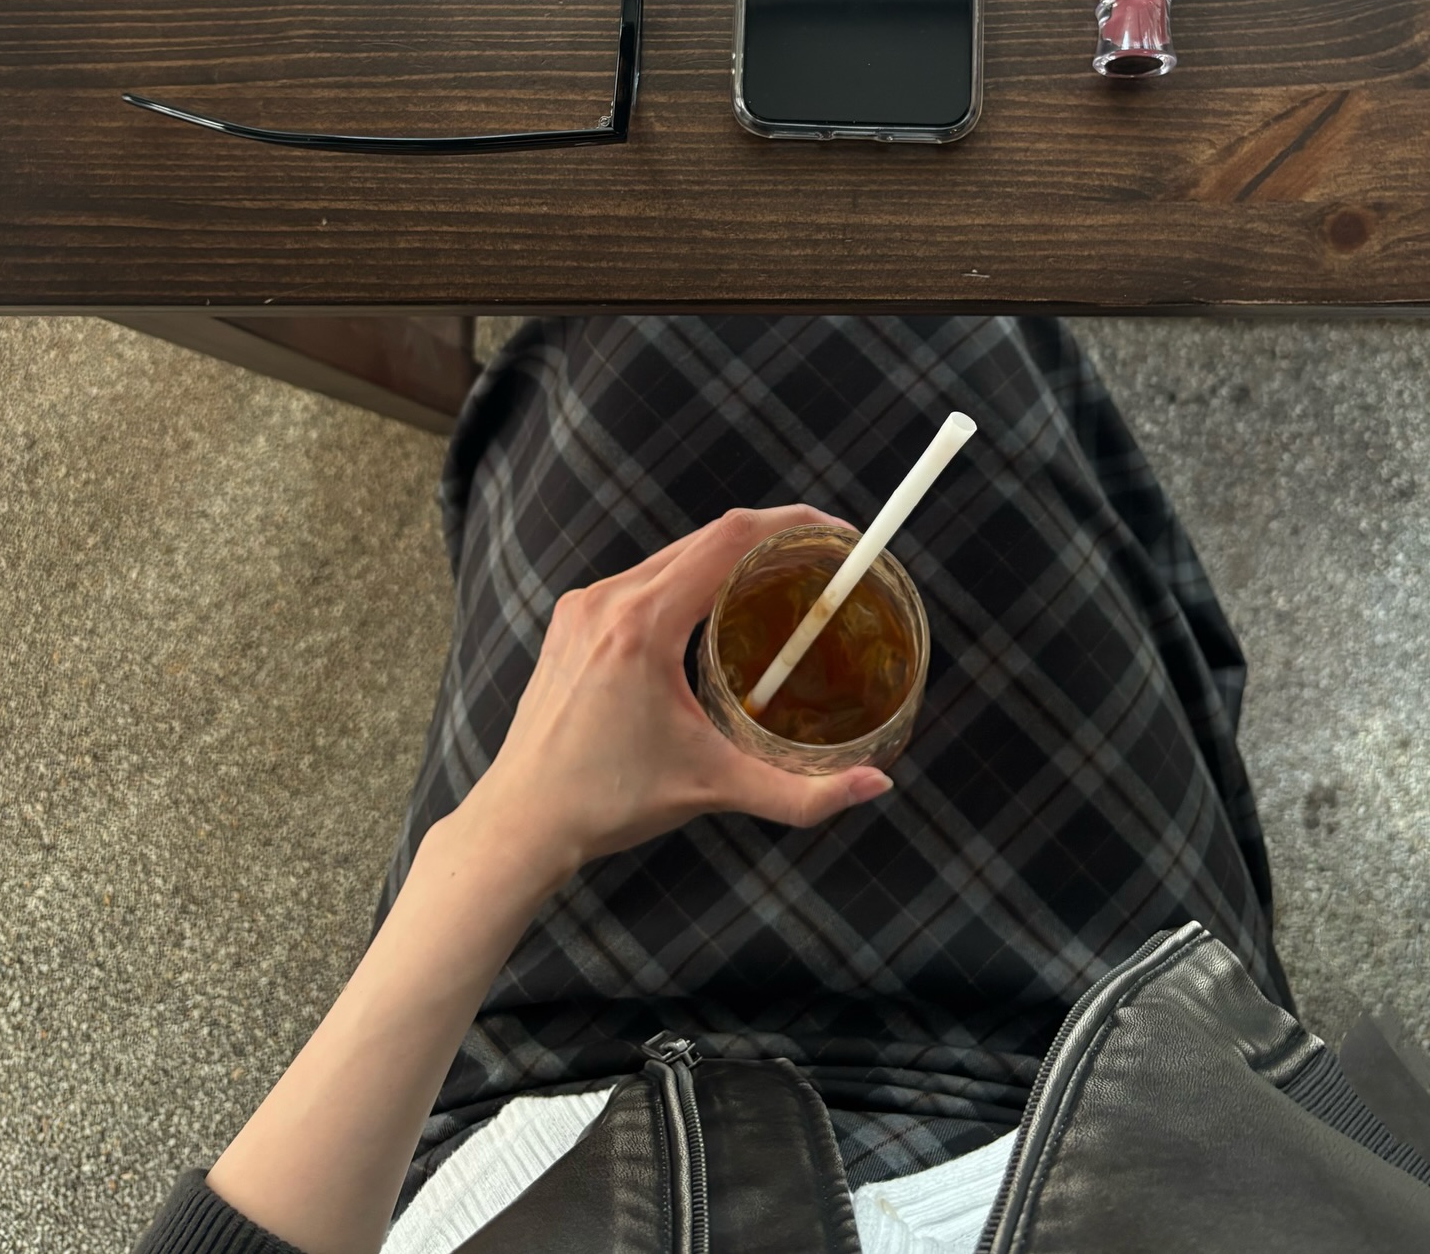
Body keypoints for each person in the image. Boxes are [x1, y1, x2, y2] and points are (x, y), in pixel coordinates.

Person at [136, 317, 1430, 1254]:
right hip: (1098, 1056)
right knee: (965, 346)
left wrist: (506, 830)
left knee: (639, 351)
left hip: (539, 1082)